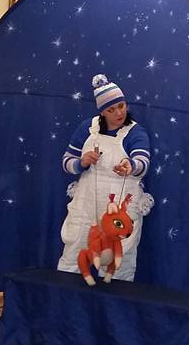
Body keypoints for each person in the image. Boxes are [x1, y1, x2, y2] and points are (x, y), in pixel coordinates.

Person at [57, 73, 152, 282]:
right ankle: (64, 297)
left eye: (121, 106)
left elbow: (143, 162)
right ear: (102, 111)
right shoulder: (87, 128)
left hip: (120, 206)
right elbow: (67, 162)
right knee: (74, 251)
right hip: (86, 203)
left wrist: (131, 165)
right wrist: (81, 162)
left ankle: (113, 301)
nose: (119, 112)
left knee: (119, 262)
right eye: (111, 109)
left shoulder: (135, 133)